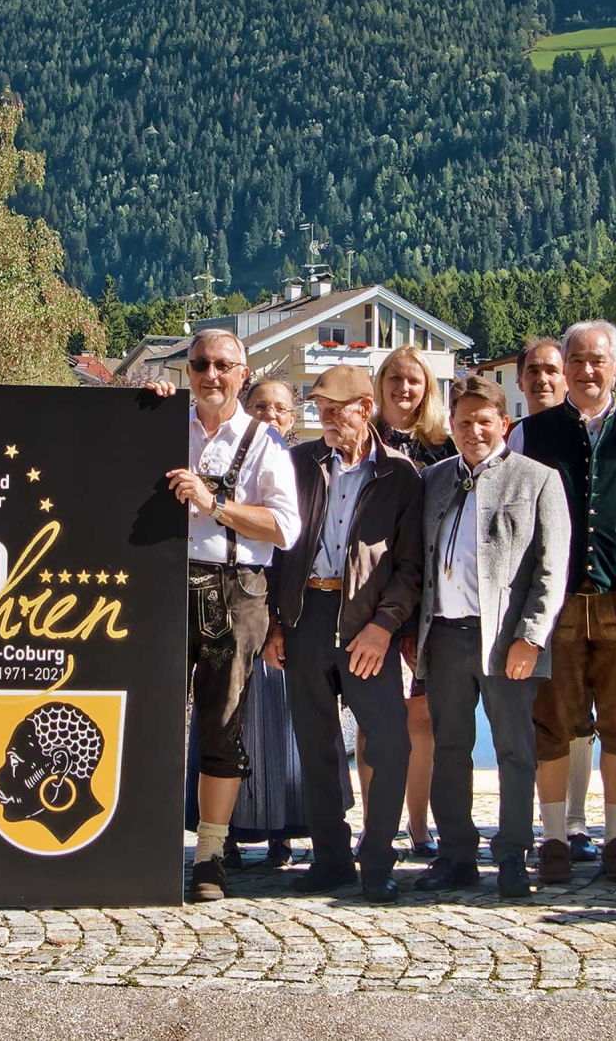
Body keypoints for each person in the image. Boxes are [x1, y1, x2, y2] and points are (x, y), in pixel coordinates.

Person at [512, 320, 616, 887]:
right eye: (576, 359)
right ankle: (555, 839)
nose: (586, 370)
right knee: (553, 721)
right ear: (565, 364)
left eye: (597, 360)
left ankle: (615, 838)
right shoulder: (528, 434)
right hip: (552, 606)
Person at [264, 364, 423, 903]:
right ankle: (331, 858)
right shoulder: (299, 462)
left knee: (391, 740)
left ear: (365, 409)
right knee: (315, 744)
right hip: (305, 617)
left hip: (365, 628)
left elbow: (409, 567)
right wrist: (276, 623)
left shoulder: (399, 476)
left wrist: (385, 626)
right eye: (319, 409)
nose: (326, 418)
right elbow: (276, 547)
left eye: (336, 409)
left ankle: (377, 858)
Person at [411, 374, 570, 897]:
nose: (473, 430)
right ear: (451, 426)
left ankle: (512, 856)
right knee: (450, 747)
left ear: (504, 423)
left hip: (505, 640)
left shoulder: (537, 479)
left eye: (484, 420)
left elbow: (552, 569)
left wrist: (532, 635)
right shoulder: (433, 478)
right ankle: (456, 854)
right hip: (445, 637)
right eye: (463, 422)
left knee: (514, 749)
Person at [159, 330, 299, 902]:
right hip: (164, 584)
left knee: (222, 720)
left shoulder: (266, 442)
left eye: (222, 366)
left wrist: (213, 504)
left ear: (242, 373)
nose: (209, 376)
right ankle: (146, 841)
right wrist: (147, 397)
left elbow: (285, 529)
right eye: (199, 366)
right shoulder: (165, 424)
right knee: (154, 716)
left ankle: (211, 856)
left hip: (236, 588)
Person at [230, 376, 323, 867]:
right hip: (230, 601)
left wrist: (284, 621)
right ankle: (221, 830)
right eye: (260, 406)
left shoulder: (306, 465)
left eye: (280, 409)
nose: (270, 415)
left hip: (287, 611)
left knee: (281, 724)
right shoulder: (225, 455)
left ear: (292, 417)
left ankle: (281, 832)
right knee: (229, 717)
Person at [519, 336, 601, 860]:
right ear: (522, 379)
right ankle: (539, 823)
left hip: (586, 593)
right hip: (533, 601)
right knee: (538, 715)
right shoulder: (519, 437)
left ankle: (575, 823)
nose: (545, 379)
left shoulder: (588, 433)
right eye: (536, 371)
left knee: (583, 715)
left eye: (554, 369)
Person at [370, 346, 450, 859]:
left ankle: (419, 828)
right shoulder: (362, 442)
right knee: (376, 719)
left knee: (421, 718)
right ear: (379, 385)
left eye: (414, 381)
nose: (404, 388)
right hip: (373, 598)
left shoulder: (443, 449)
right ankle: (376, 825)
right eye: (395, 379)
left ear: (428, 389)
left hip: (432, 601)